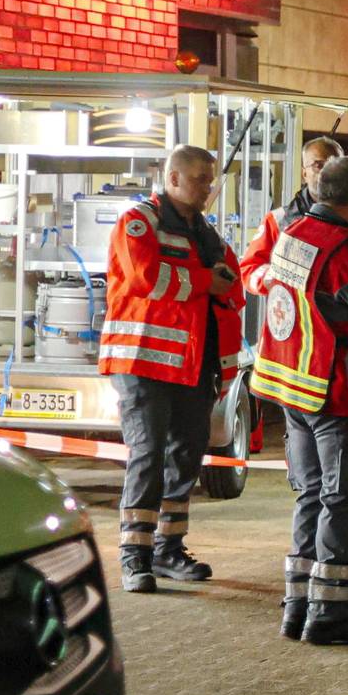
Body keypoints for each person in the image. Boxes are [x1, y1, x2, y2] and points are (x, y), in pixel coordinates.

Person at [251, 155, 348, 645]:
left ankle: (297, 604)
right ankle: (329, 612)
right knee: (344, 502)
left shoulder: (295, 232)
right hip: (341, 396)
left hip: (297, 390)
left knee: (312, 497)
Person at [99, 144, 244, 594]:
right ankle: (135, 557)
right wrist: (205, 281)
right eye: (201, 179)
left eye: (211, 180)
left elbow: (233, 286)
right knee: (147, 455)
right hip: (142, 362)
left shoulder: (206, 234)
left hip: (193, 364)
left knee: (186, 456)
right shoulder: (139, 222)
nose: (208, 188)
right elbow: (148, 279)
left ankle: (168, 549)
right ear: (174, 178)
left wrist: (215, 283)